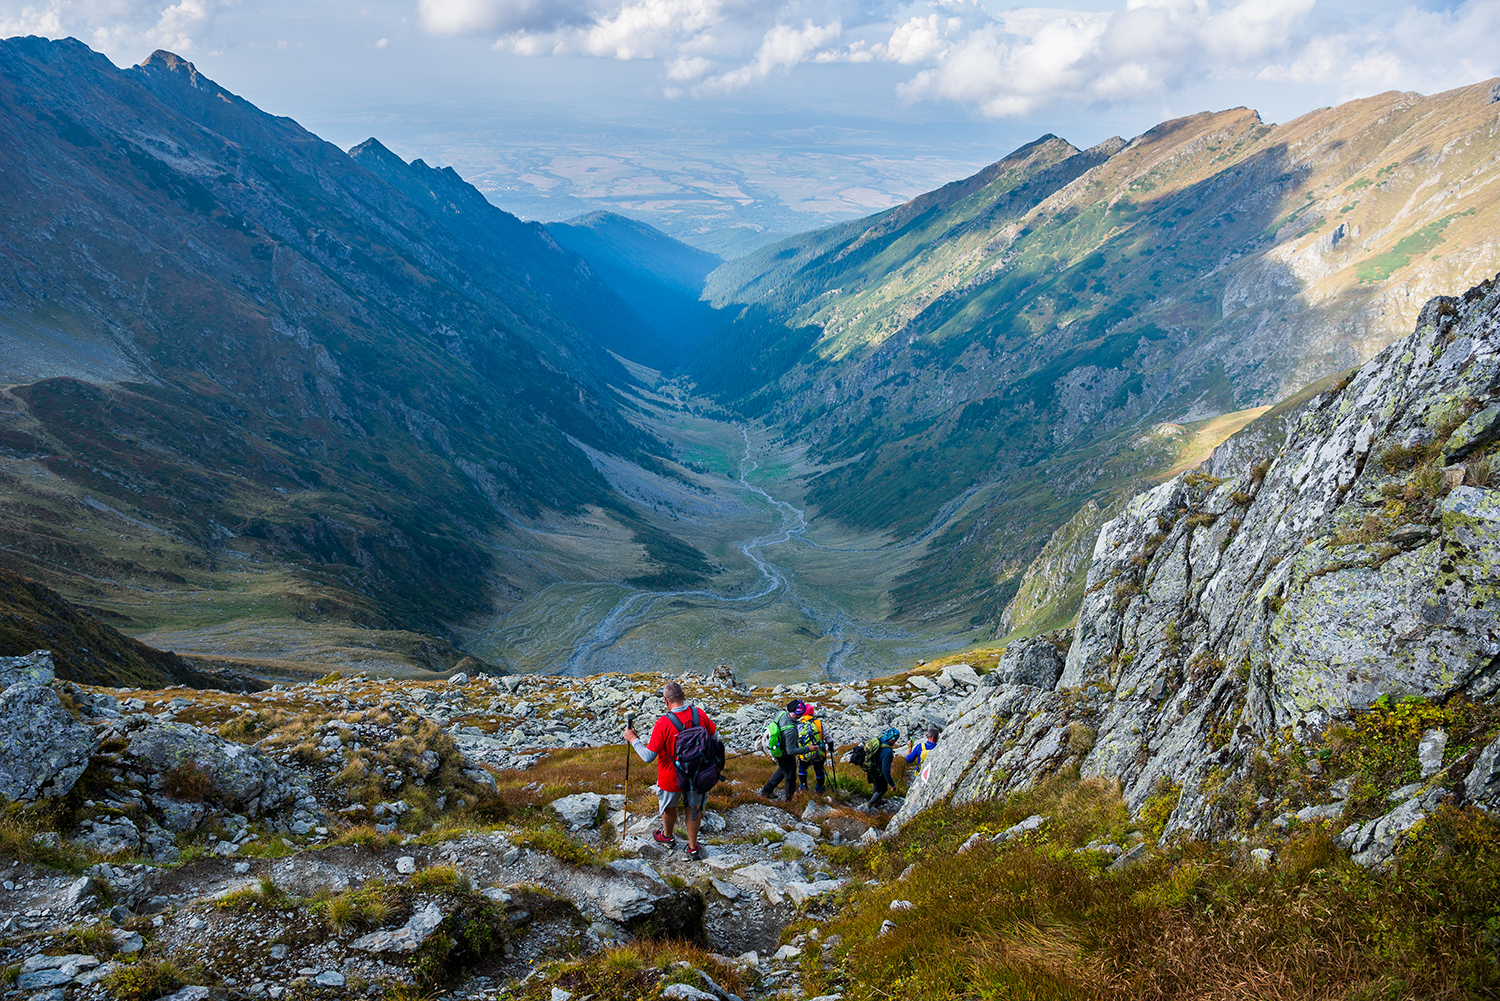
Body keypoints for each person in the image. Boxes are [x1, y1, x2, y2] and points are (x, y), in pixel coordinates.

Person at [622, 681, 717, 860]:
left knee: (669, 807)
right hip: (698, 775)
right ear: (683, 697)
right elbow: (714, 737)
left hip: (671, 777)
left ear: (666, 701)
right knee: (694, 808)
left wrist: (633, 738)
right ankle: (693, 847)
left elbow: (648, 756)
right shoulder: (699, 714)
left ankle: (666, 836)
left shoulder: (663, 723)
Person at [760, 699, 805, 802]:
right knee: (790, 777)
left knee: (781, 771)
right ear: (797, 713)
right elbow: (791, 751)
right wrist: (808, 749)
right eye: (801, 714)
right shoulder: (791, 730)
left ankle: (767, 791)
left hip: (778, 750)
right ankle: (790, 800)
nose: (801, 716)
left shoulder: (782, 714)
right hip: (786, 755)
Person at [795, 704, 828, 793]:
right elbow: (828, 738)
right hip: (819, 753)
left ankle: (803, 786)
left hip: (804, 754)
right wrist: (831, 747)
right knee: (819, 770)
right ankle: (820, 788)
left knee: (802, 768)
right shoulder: (819, 723)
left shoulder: (799, 724)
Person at [866, 726, 900, 809]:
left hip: (870, 768)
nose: (895, 742)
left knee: (876, 784)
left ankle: (877, 801)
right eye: (896, 740)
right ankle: (868, 806)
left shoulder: (879, 740)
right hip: (878, 772)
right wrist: (892, 784)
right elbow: (885, 771)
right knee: (882, 790)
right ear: (892, 739)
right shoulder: (888, 751)